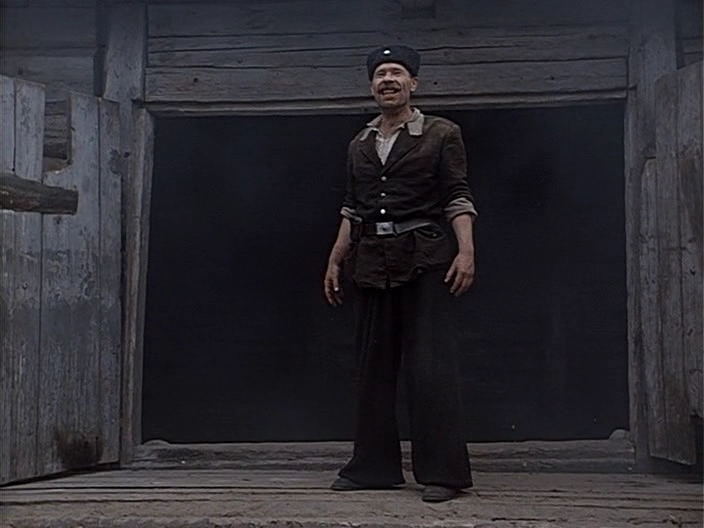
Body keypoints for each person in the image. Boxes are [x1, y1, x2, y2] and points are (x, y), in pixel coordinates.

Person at [323, 45, 477, 503]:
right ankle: (373, 467)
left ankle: (443, 473)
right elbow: (352, 207)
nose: (387, 80)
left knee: (430, 367)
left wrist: (466, 252)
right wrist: (335, 259)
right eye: (380, 74)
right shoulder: (360, 142)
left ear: (414, 84)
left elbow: (457, 196)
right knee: (372, 368)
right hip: (371, 261)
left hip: (425, 258)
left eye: (396, 73)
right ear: (372, 86)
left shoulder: (441, 133)